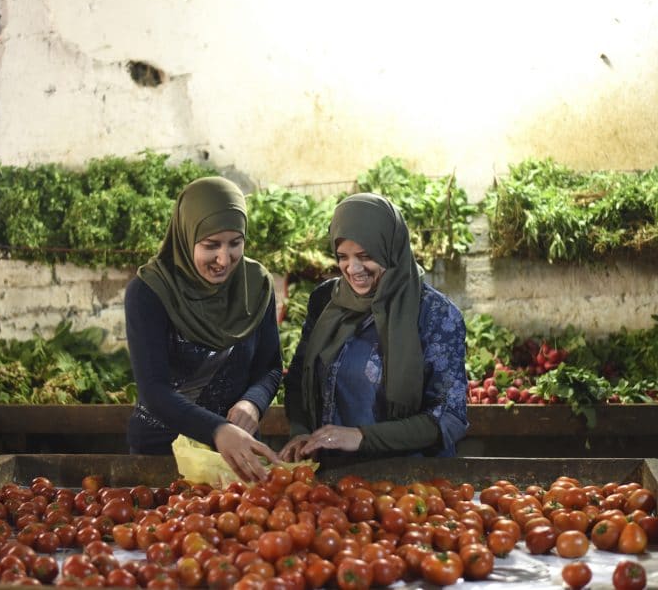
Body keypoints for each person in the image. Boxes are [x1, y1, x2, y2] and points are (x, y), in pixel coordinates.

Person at [279, 192, 468, 462]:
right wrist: (300, 431)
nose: (352, 268)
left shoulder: (435, 314)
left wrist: (361, 437)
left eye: (365, 256)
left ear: (391, 251)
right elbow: (299, 378)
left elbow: (449, 417)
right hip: (329, 479)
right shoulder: (326, 300)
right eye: (343, 256)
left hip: (406, 486)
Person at [124, 176, 282, 482]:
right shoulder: (150, 291)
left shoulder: (256, 285)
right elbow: (154, 388)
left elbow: (270, 367)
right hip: (162, 452)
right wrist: (218, 429)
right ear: (186, 234)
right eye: (211, 245)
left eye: (236, 242)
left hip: (237, 453)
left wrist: (253, 402)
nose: (224, 259)